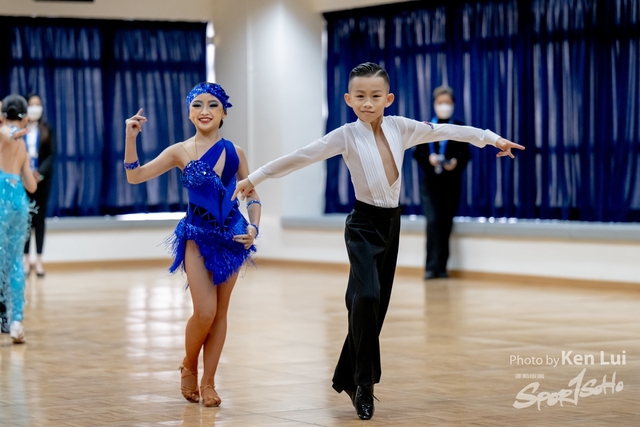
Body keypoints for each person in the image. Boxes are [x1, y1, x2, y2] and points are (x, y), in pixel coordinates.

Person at [233, 62, 524, 420]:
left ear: (388, 98)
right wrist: (256, 177)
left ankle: (349, 374)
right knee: (368, 297)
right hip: (362, 225)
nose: (367, 103)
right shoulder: (345, 135)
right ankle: (364, 386)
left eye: (375, 96)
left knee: (372, 306)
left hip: (391, 225)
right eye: (360, 96)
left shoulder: (402, 127)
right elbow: (302, 155)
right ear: (348, 99)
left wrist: (492, 138)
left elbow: (447, 129)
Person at [124, 82, 261, 407]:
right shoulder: (179, 151)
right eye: (197, 105)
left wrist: (254, 227)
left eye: (212, 105)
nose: (204, 111)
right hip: (197, 236)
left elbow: (251, 194)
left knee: (221, 313)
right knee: (205, 312)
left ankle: (209, 381)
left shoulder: (236, 152)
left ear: (224, 113)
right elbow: (135, 176)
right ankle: (189, 363)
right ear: (189, 113)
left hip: (233, 238)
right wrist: (131, 139)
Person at [413, 86, 470, 280]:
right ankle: (430, 267)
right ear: (434, 104)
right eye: (440, 103)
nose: (444, 106)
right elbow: (417, 154)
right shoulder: (426, 127)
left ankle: (442, 268)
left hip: (451, 183)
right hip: (430, 184)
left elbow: (466, 155)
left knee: (446, 223)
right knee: (433, 222)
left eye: (447, 102)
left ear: (453, 104)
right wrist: (428, 159)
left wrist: (455, 162)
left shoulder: (459, 127)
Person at [0, 95, 38, 343]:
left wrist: (11, 131)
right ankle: (16, 322)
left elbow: (5, 132)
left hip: (1, 198)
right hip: (19, 201)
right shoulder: (21, 144)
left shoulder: (4, 133)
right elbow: (32, 186)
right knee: (15, 262)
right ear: (24, 118)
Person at [22, 94, 56, 277]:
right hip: (23, 180)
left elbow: (52, 155)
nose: (35, 107)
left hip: (42, 181)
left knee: (40, 220)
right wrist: (27, 173)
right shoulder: (20, 130)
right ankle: (26, 261)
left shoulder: (47, 129)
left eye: (38, 104)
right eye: (31, 104)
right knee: (26, 220)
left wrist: (38, 173)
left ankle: (40, 262)